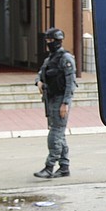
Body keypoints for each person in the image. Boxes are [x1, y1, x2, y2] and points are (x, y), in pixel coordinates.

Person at [33, 27, 77, 178]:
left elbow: (71, 83)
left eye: (51, 41)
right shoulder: (50, 59)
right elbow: (40, 74)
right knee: (59, 134)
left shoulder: (66, 59)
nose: (49, 43)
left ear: (58, 41)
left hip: (60, 100)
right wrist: (38, 82)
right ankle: (64, 167)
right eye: (47, 41)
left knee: (55, 135)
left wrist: (65, 103)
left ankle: (49, 167)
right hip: (50, 99)